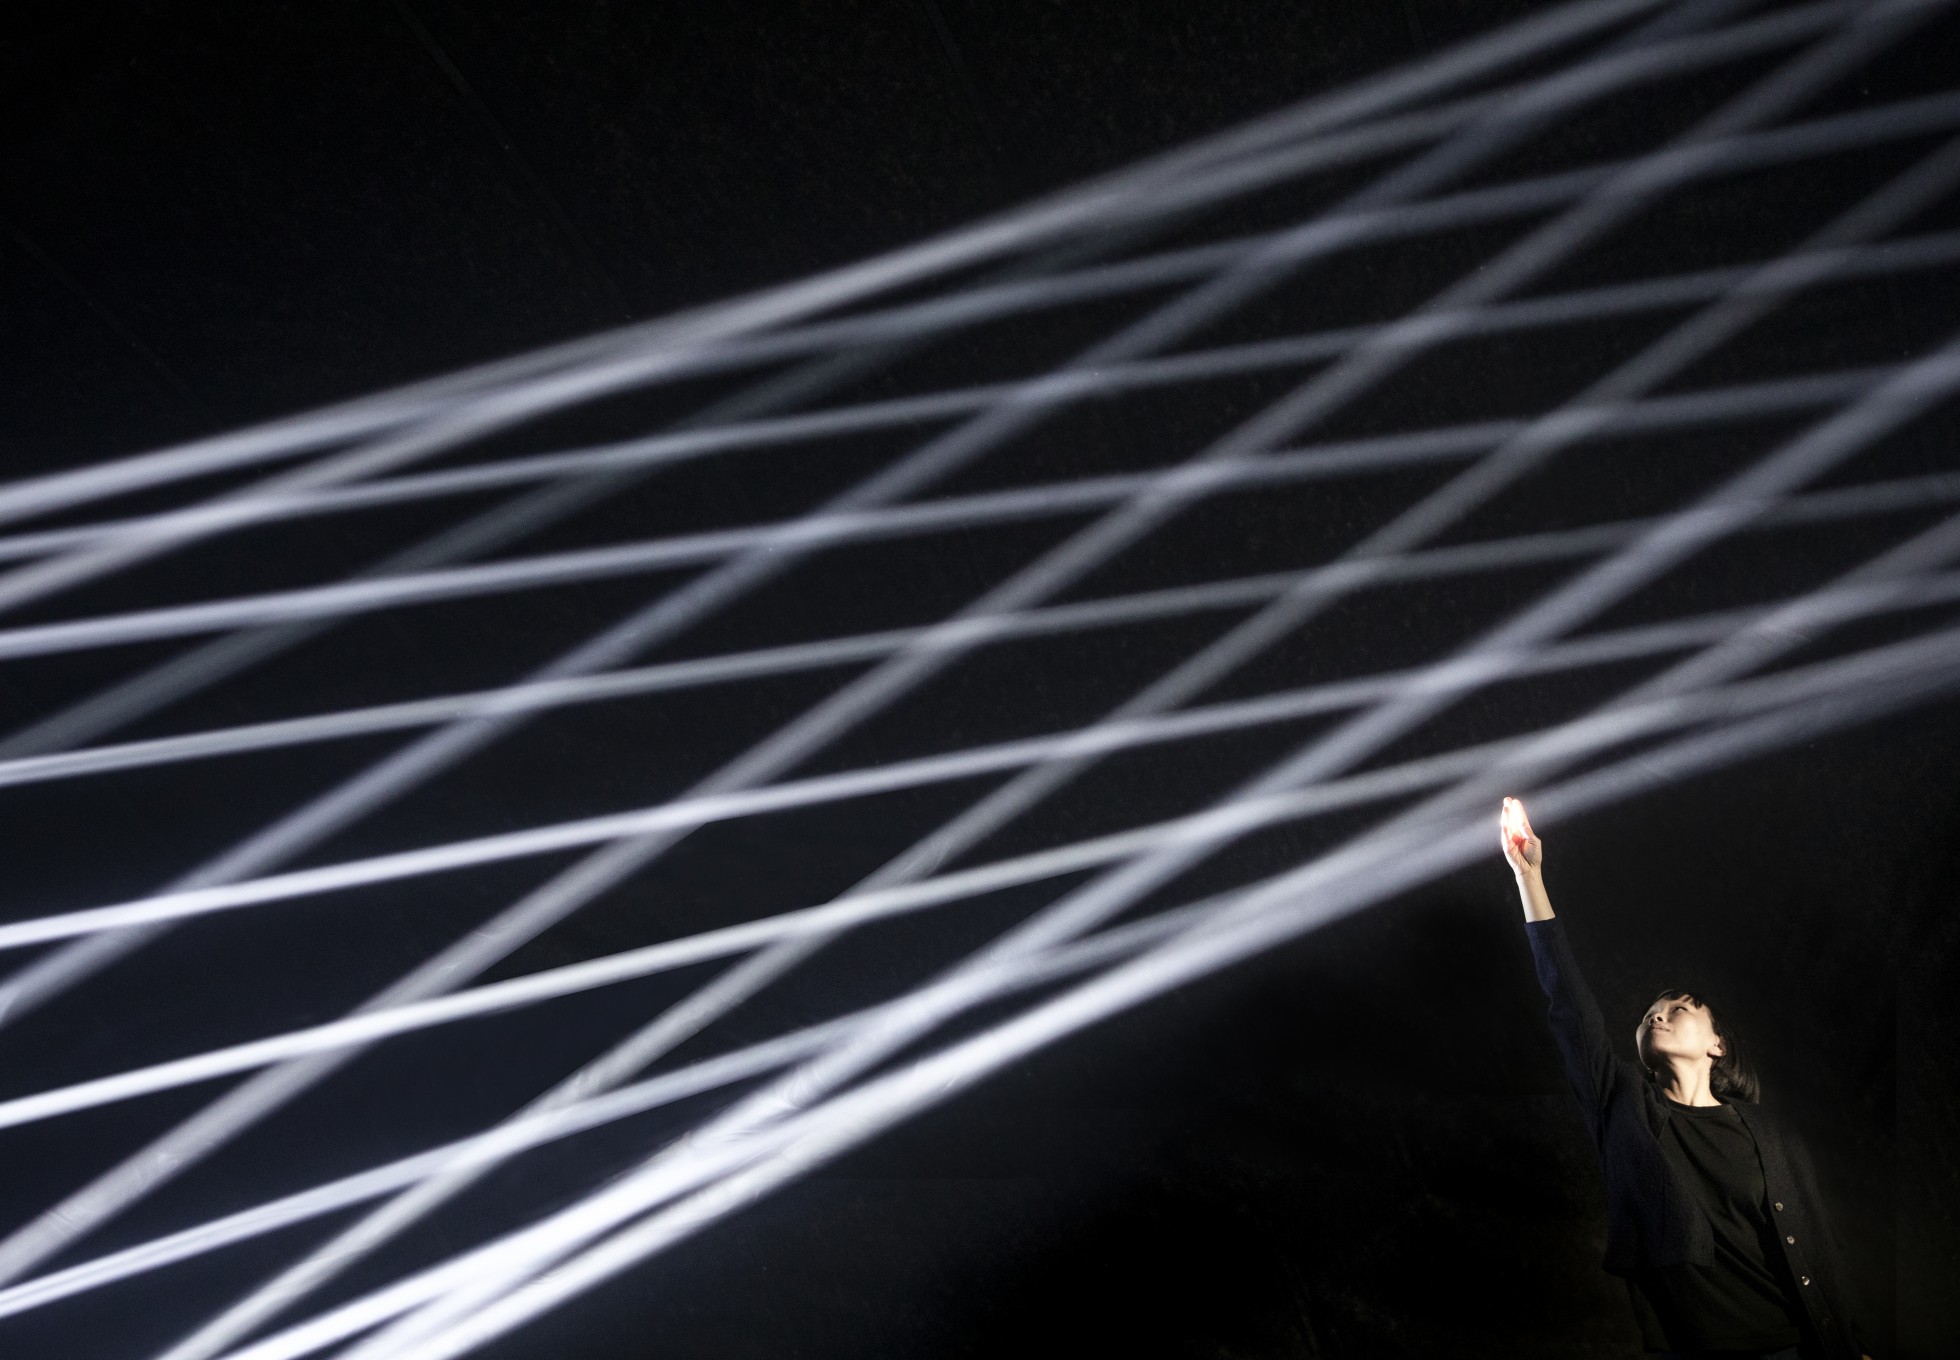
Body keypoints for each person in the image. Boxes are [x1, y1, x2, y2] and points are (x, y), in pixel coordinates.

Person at [1498, 796, 1872, 1360]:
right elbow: (1571, 1009)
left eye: (1680, 1007)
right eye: (1651, 1011)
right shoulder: (1623, 1107)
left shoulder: (1766, 1135)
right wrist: (1531, 880)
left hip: (1800, 1347)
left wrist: (1853, 1344)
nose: (1658, 1013)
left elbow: (1820, 1248)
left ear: (1717, 1045)